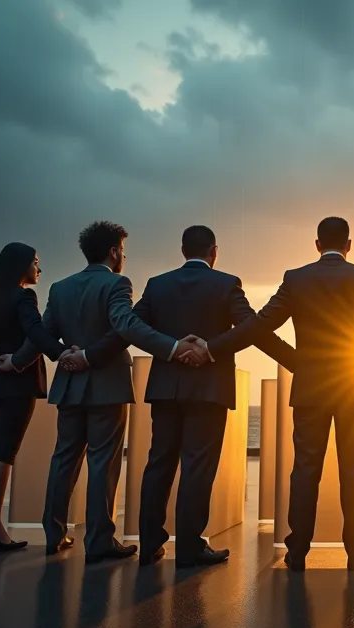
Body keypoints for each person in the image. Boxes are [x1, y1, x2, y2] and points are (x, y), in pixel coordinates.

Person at [202, 216, 354, 571]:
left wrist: (286, 360)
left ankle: (297, 551)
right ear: (349, 245)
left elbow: (258, 326)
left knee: (305, 469)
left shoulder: (296, 279)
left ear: (317, 244)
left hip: (311, 386)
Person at [86, 225, 296, 568]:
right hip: (209, 390)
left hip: (166, 387)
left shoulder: (157, 284)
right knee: (197, 468)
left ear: (183, 251)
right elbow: (251, 328)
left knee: (158, 465)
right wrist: (294, 362)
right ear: (214, 252)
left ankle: (151, 543)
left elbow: (128, 328)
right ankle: (189, 547)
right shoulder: (228, 284)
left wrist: (88, 356)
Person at [20, 221, 184, 562]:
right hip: (106, 385)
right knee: (102, 464)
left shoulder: (60, 287)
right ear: (113, 251)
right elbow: (126, 325)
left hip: (67, 384)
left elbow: (43, 332)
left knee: (63, 459)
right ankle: (99, 541)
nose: (123, 256)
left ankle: (54, 534)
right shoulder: (117, 284)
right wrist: (171, 347)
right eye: (122, 250)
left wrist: (26, 360)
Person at [0, 242, 71, 552]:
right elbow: (35, 330)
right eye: (35, 262)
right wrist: (61, 353)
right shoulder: (24, 296)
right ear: (21, 266)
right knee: (5, 453)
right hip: (16, 383)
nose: (39, 268)